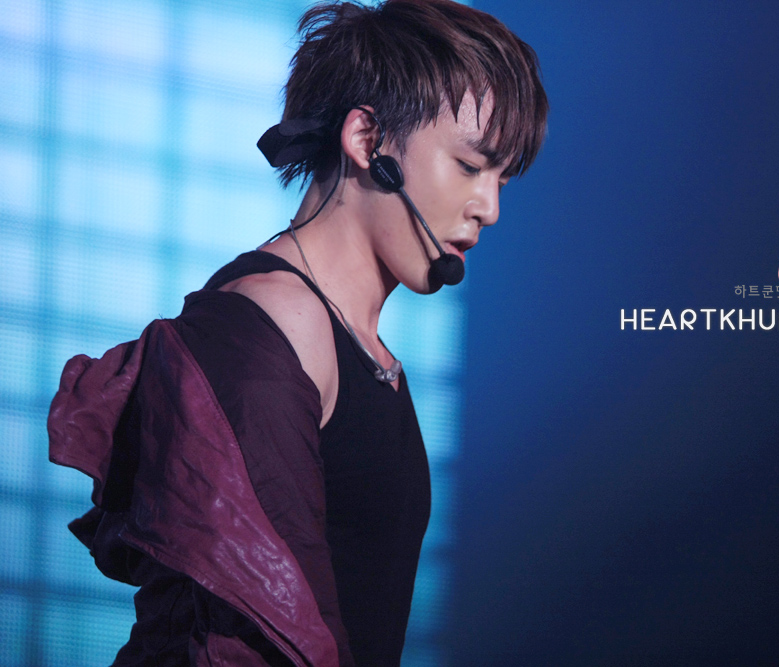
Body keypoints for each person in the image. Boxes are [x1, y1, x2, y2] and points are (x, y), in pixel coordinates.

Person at [47, 1, 548, 665]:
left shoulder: (356, 345)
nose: (490, 207)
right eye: (468, 166)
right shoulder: (275, 321)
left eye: (501, 178)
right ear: (368, 140)